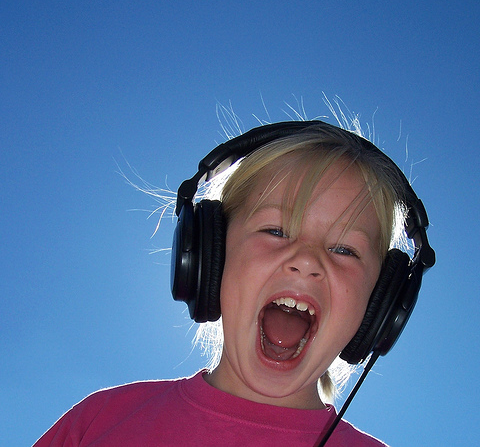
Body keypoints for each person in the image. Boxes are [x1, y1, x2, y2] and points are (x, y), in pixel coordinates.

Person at [34, 119, 434, 446]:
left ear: (380, 306)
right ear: (212, 257)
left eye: (345, 250)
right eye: (276, 230)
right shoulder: (100, 422)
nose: (307, 261)